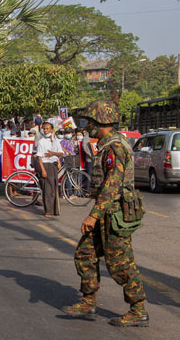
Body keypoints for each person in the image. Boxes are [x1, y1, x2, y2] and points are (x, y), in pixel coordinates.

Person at [62, 100, 148, 327]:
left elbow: (113, 185)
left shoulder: (115, 147)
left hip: (115, 215)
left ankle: (138, 310)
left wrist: (93, 215)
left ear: (100, 122)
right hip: (105, 212)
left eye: (90, 121)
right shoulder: (105, 144)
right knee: (85, 254)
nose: (87, 125)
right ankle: (88, 302)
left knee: (121, 264)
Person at [36, 122, 64, 217]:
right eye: (44, 129)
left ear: (52, 130)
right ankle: (47, 210)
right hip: (45, 165)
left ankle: (54, 209)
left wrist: (54, 154)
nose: (46, 130)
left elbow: (61, 153)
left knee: (54, 188)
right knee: (47, 189)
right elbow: (39, 157)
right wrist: (43, 170)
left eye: (47, 129)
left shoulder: (56, 141)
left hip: (53, 165)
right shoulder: (41, 142)